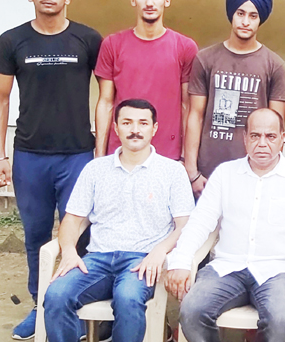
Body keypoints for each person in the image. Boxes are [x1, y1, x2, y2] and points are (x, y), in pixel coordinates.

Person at [0, 0, 103, 339]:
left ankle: (80, 306)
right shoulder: (12, 41)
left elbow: (108, 94)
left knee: (82, 235)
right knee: (36, 235)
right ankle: (39, 306)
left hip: (78, 156)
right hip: (30, 156)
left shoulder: (88, 39)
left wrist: (103, 149)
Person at [165, 108, 285, 342]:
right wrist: (180, 260)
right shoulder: (225, 174)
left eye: (270, 136)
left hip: (278, 271)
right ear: (245, 138)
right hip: (227, 268)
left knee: (279, 319)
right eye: (255, 136)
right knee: (191, 312)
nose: (262, 144)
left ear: (283, 138)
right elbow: (200, 222)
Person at [43, 99, 194, 342]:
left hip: (142, 262)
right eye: (127, 122)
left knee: (128, 298)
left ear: (154, 128)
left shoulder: (172, 171)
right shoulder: (95, 170)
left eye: (143, 123)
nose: (135, 129)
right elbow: (72, 218)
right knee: (56, 295)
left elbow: (185, 225)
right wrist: (69, 251)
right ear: (116, 128)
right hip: (97, 259)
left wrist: (159, 251)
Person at [185, 0, 285, 198]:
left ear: (260, 20)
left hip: (254, 173)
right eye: (240, 13)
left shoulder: (274, 65)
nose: (245, 21)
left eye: (253, 15)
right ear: (232, 15)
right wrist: (192, 171)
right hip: (207, 173)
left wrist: (270, 172)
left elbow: (276, 125)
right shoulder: (205, 59)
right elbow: (195, 115)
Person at [94, 0, 198, 160]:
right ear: (133, 0)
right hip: (121, 154)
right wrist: (100, 157)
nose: (149, 2)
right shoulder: (112, 44)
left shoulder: (185, 47)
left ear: (166, 1)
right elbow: (106, 103)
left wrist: (185, 157)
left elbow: (187, 106)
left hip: (168, 156)